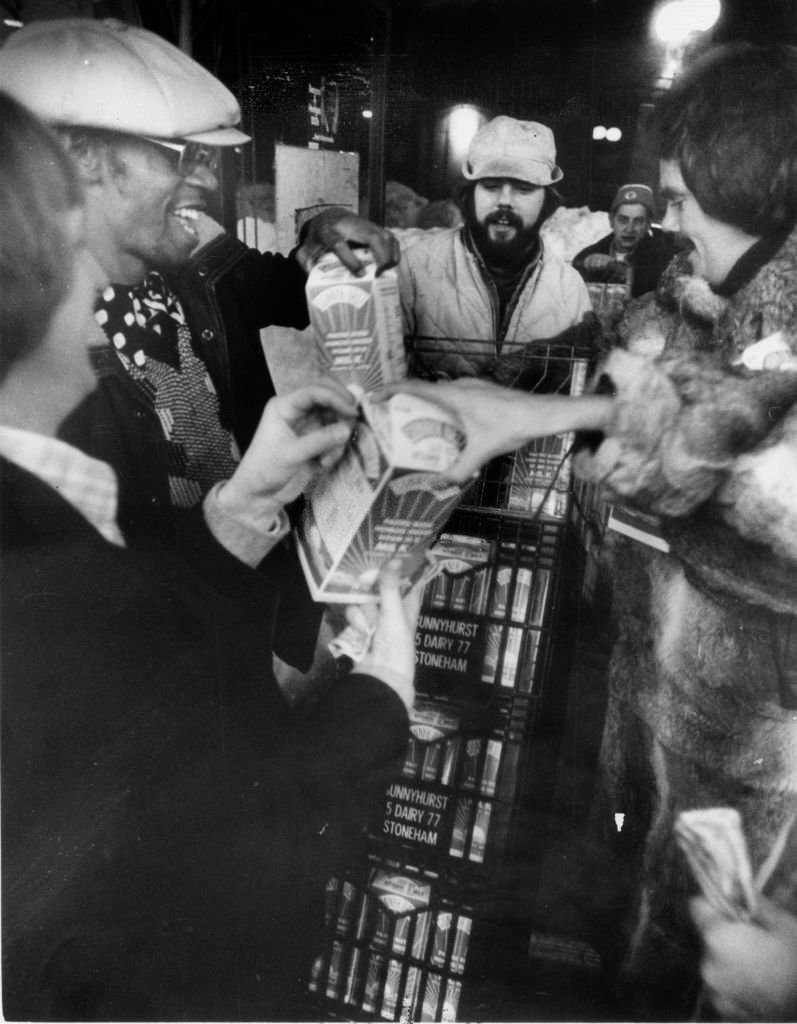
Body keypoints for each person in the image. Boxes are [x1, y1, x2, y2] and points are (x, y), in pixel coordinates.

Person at [381, 41, 797, 1021]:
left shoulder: (777, 327)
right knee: (653, 934)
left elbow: (740, 459)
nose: (669, 222)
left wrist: (542, 418)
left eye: (682, 198)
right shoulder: (694, 304)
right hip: (658, 712)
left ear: (739, 181)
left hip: (755, 754)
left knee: (716, 964)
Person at [0, 89, 419, 1021]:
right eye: (75, 253)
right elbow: (222, 855)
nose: (98, 290)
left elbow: (124, 642)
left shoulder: (181, 258)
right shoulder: (41, 558)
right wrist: (380, 700)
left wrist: (240, 506)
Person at [0, 17, 400, 674]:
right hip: (177, 674)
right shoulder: (31, 358)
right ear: (82, 161)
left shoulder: (184, 260)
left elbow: (273, 284)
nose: (208, 181)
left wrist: (324, 229)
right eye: (183, 157)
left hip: (244, 628)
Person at [396, 115, 595, 383]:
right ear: (469, 194)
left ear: (547, 202)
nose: (504, 202)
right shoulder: (416, 267)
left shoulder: (569, 289)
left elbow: (575, 387)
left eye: (524, 189)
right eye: (490, 186)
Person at [572, 183, 682, 299]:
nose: (630, 229)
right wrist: (585, 266)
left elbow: (659, 286)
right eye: (623, 220)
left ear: (648, 224)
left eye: (638, 221)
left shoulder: (663, 258)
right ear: (611, 221)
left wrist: (621, 269)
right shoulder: (589, 254)